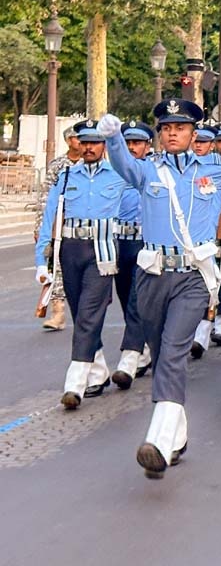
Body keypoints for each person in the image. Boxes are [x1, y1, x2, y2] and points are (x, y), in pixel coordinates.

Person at [98, 100, 221, 478]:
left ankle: (158, 439)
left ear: (195, 134)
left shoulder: (214, 171)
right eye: (166, 127)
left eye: (180, 127)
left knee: (174, 350)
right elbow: (123, 165)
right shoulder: (147, 171)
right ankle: (177, 434)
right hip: (153, 275)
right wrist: (112, 139)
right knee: (161, 355)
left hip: (192, 277)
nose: (172, 133)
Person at [35, 119, 126, 407]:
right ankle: (98, 371)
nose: (89, 147)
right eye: (84, 142)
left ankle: (75, 382)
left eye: (95, 142)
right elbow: (49, 217)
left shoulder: (119, 176)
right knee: (80, 314)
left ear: (105, 145)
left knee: (88, 314)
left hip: (102, 251)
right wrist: (41, 261)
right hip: (71, 250)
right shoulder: (65, 177)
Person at [111, 120, 154, 388]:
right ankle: (145, 349)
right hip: (120, 243)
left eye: (137, 142)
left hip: (146, 242)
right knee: (126, 298)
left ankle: (129, 358)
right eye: (128, 143)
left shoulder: (154, 169)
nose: (132, 147)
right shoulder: (113, 172)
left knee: (137, 301)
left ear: (148, 145)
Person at [37, 125, 83, 332]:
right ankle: (58, 312)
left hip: (84, 223)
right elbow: (46, 197)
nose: (81, 143)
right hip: (59, 221)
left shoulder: (95, 164)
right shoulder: (58, 166)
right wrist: (40, 226)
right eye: (76, 138)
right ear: (68, 141)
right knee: (55, 266)